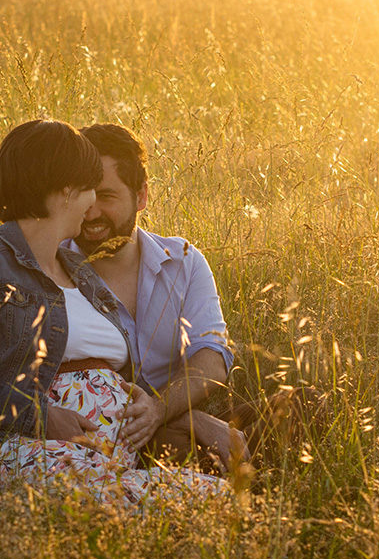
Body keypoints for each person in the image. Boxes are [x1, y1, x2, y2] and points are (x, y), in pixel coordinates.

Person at [0, 119, 225, 507]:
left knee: (214, 495)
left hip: (106, 460)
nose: (92, 204)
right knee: (208, 500)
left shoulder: (81, 274)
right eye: (89, 188)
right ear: (65, 192)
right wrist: (39, 417)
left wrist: (181, 418)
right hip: (28, 452)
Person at [64, 124, 246, 470]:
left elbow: (212, 356)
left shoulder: (184, 261)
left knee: (306, 405)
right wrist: (185, 421)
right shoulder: (54, 268)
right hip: (109, 434)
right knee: (187, 454)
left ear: (142, 196)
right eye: (83, 195)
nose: (91, 212)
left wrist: (162, 410)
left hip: (177, 412)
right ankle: (228, 480)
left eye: (106, 196)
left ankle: (237, 472)